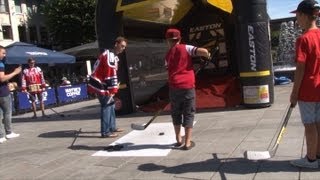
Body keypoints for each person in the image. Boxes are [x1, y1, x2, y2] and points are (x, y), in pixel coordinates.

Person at [165, 28, 211, 150]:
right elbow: (202, 51)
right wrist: (208, 54)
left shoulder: (168, 55)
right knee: (188, 112)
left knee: (176, 113)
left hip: (174, 87)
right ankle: (188, 142)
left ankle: (178, 139)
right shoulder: (186, 48)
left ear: (168, 41)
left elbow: (168, 70)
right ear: (179, 39)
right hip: (187, 85)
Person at [289, 0, 320, 169]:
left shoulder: (303, 39)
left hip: (308, 90)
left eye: (297, 16)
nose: (296, 20)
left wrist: (294, 93)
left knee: (309, 125)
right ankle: (318, 156)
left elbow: (300, 68)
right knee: (319, 123)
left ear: (303, 15)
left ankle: (311, 159)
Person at [88, 36, 127, 138]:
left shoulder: (111, 55)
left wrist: (113, 86)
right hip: (100, 84)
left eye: (124, 47)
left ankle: (112, 127)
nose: (123, 49)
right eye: (122, 46)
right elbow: (110, 73)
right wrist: (113, 88)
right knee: (106, 106)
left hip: (103, 83)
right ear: (116, 44)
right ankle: (105, 132)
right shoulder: (109, 55)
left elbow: (110, 73)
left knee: (111, 104)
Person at [0, 45, 22, 143]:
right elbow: (2, 78)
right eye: (3, 53)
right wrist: (15, 72)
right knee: (7, 112)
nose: (4, 55)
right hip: (2, 92)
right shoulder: (0, 64)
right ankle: (8, 132)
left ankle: (1, 136)